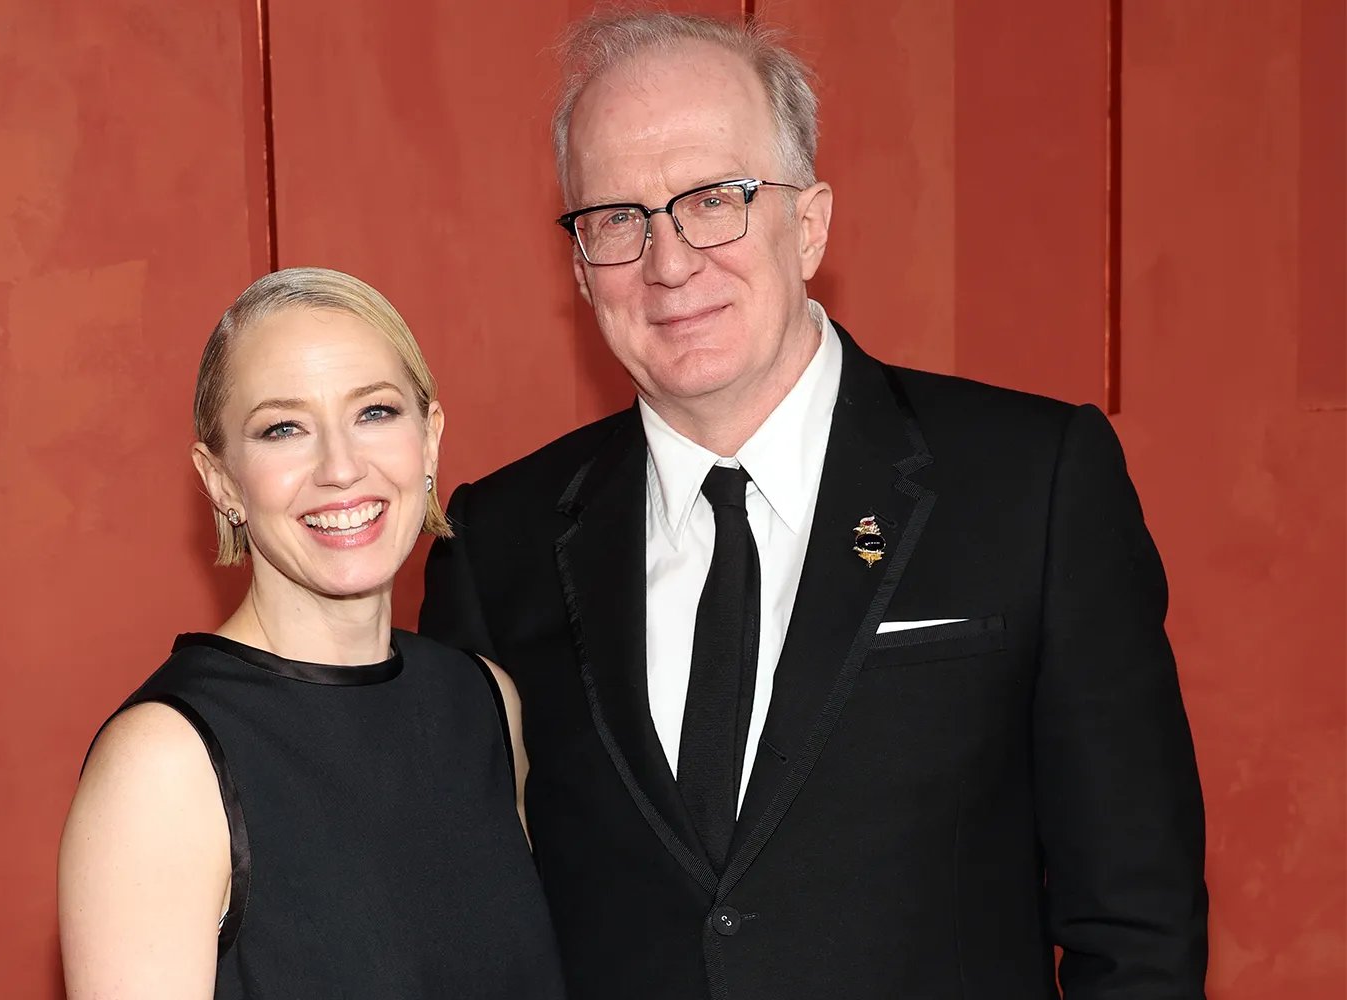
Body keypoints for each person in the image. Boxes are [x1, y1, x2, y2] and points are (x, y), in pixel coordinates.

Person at [419, 11, 1207, 1000]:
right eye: (618, 218)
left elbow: (1137, 928)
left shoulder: (1031, 484)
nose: (669, 262)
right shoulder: (496, 543)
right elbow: (459, 925)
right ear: (580, 268)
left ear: (810, 224)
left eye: (715, 199)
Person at [58, 268, 565, 999]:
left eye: (375, 412)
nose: (341, 468)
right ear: (221, 481)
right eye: (284, 428)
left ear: (429, 441)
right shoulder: (163, 765)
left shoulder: (484, 702)